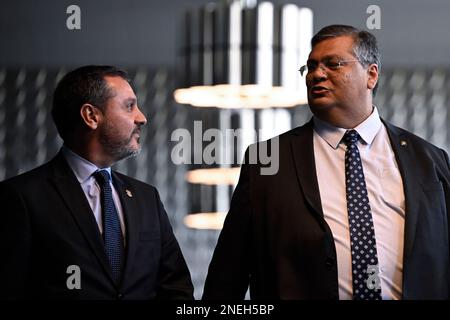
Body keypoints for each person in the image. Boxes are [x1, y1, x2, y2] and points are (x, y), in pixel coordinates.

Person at [203, 25, 450, 300]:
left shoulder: (428, 159)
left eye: (333, 64)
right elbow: (227, 276)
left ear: (371, 75)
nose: (316, 74)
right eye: (311, 66)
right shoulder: (266, 161)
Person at [0, 65, 194, 299]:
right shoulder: (21, 197)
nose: (141, 118)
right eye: (129, 106)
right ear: (91, 116)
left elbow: (176, 288)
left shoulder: (147, 197)